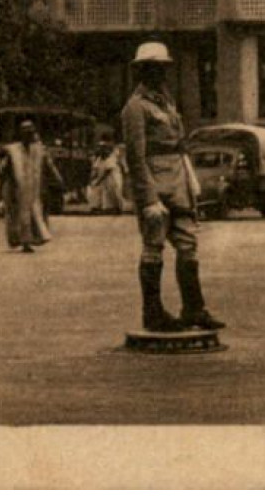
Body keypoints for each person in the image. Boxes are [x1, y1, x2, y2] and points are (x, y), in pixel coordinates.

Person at [124, 41, 225, 332]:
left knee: (188, 245)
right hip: (155, 184)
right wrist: (148, 199)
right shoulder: (135, 108)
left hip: (177, 182)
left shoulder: (166, 103)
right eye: (153, 68)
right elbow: (135, 156)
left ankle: (194, 309)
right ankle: (153, 313)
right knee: (153, 247)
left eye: (163, 68)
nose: (160, 73)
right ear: (142, 71)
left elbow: (179, 146)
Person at [0, 120, 60, 252]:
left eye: (31, 132)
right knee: (18, 215)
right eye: (25, 132)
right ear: (21, 134)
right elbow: (5, 169)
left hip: (34, 188)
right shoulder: (12, 150)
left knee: (34, 214)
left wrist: (57, 180)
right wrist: (1, 188)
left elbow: (48, 166)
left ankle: (29, 240)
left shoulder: (40, 149)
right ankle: (22, 241)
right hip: (16, 188)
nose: (29, 135)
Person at [87, 140, 126, 215]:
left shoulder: (111, 157)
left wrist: (98, 180)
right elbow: (96, 169)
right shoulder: (99, 159)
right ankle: (108, 208)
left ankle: (119, 209)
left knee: (116, 193)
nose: (101, 150)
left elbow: (107, 172)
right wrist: (93, 178)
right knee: (106, 194)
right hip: (105, 181)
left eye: (103, 148)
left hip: (113, 178)